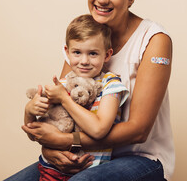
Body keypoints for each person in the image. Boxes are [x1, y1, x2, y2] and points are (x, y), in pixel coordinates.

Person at [6, 0, 175, 181]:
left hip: (142, 159)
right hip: (86, 154)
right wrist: (50, 149)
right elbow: (63, 107)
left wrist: (65, 140)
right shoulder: (84, 36)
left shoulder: (154, 40)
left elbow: (139, 130)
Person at [24, 14, 129, 181]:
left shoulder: (111, 84)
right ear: (67, 52)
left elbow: (99, 130)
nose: (84, 61)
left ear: (107, 55)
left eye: (93, 53)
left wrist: (64, 99)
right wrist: (29, 111)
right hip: (52, 169)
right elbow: (35, 134)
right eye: (77, 52)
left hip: (91, 170)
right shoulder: (63, 84)